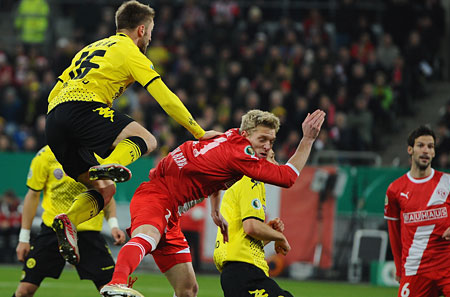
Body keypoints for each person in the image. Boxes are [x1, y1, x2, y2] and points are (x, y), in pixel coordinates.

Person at [45, 0, 217, 266]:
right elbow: (165, 97)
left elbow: (57, 88)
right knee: (147, 138)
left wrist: (63, 120)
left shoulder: (90, 47)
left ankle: (69, 220)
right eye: (150, 31)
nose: (150, 36)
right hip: (84, 106)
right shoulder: (129, 50)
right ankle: (110, 163)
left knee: (105, 189)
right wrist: (198, 131)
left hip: (54, 118)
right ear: (140, 30)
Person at [100, 109, 325, 297]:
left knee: (188, 290)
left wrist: (215, 210)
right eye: (262, 140)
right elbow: (287, 177)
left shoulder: (226, 136)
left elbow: (216, 171)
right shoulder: (243, 155)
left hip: (172, 209)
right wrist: (307, 140)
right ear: (246, 135)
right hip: (157, 195)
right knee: (148, 236)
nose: (267, 147)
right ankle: (116, 284)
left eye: (271, 141)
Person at [13, 145, 126, 297]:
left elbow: (106, 194)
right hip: (54, 230)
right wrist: (24, 238)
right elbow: (32, 196)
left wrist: (113, 225)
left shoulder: (96, 155)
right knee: (24, 291)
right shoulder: (45, 156)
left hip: (88, 232)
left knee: (112, 291)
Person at [384, 126, 450, 297]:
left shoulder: (448, 181)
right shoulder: (395, 189)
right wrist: (399, 269)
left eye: (430, 146)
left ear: (434, 152)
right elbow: (394, 232)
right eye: (420, 145)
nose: (426, 150)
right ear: (410, 150)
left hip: (449, 265)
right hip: (415, 269)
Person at [213, 150, 293, 297]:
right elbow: (251, 226)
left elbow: (244, 239)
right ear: (259, 159)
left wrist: (269, 233)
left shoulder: (246, 182)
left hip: (239, 272)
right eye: (272, 158)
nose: (276, 164)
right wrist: (280, 237)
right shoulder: (250, 179)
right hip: (244, 272)